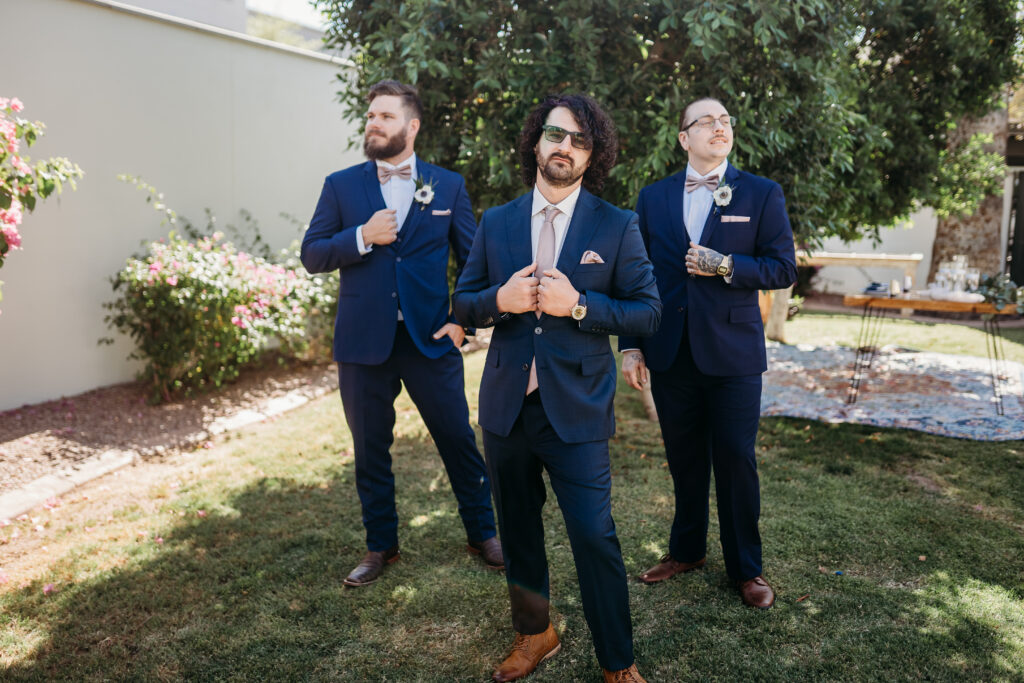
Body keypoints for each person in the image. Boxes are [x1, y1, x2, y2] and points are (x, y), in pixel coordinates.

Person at [453, 94, 660, 683]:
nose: (564, 147)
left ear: (592, 157)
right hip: (506, 409)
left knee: (595, 536)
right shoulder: (496, 223)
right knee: (517, 531)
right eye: (555, 135)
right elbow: (462, 302)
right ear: (535, 143)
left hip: (577, 409)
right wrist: (497, 301)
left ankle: (618, 663)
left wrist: (582, 305)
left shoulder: (617, 226)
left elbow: (647, 312)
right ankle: (534, 633)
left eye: (579, 140)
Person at [301, 79, 502, 588]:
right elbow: (312, 254)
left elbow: (474, 260)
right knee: (370, 447)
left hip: (430, 340)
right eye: (371, 116)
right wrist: (361, 237)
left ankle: (483, 532)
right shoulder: (341, 186)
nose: (374, 123)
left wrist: (465, 322)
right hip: (362, 343)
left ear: (411, 126)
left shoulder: (448, 185)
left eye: (385, 117)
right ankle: (380, 545)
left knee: (457, 438)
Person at [618, 97, 797, 609]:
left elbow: (783, 269)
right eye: (707, 122)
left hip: (734, 354)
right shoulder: (652, 199)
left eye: (726, 121)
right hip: (671, 352)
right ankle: (686, 550)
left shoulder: (762, 193)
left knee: (736, 461)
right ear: (683, 138)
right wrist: (631, 344)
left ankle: (747, 568)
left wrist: (725, 265)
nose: (720, 128)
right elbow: (636, 275)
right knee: (684, 460)